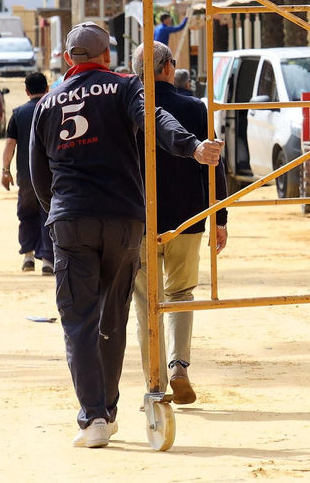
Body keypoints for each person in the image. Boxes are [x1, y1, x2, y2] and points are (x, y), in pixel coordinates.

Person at [31, 22, 223, 449]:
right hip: (124, 221)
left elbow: (38, 176)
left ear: (68, 60)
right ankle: (111, 408)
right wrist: (191, 147)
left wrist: (60, 214)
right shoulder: (124, 87)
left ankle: (95, 417)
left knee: (79, 320)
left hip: (71, 220)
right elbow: (155, 119)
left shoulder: (46, 104)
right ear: (106, 57)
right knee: (113, 317)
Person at [131, 42, 228, 405]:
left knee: (145, 303)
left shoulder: (129, 108)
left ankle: (154, 383)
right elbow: (216, 162)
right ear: (169, 68)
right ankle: (179, 365)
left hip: (140, 221)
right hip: (188, 218)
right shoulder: (193, 107)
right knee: (181, 294)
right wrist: (220, 217)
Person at [3, 72, 53, 273]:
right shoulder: (52, 110)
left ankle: (28, 257)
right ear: (47, 89)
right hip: (50, 175)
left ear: (26, 91)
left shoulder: (18, 114)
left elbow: (9, 145)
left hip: (25, 175)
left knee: (26, 214)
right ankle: (48, 261)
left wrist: (5, 170)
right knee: (48, 215)